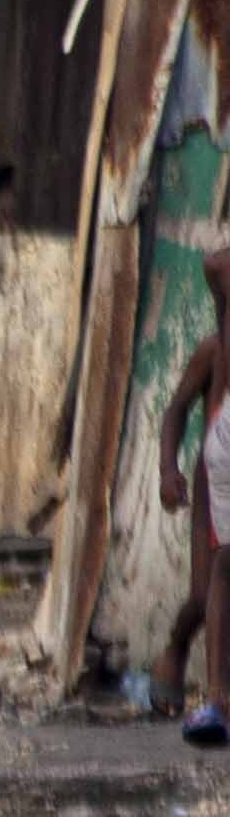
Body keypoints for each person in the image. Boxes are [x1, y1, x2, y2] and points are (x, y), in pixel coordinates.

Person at [156, 243, 230, 748]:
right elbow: (176, 410)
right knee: (207, 593)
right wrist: (168, 468)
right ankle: (180, 648)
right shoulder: (214, 349)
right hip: (213, 476)